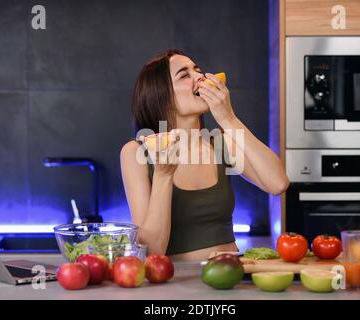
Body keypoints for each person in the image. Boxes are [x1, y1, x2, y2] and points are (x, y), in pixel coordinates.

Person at [120, 49, 289, 261]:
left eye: (197, 70)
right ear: (160, 96)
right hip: (176, 284)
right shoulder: (137, 152)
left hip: (230, 276)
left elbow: (278, 183)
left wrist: (229, 119)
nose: (200, 77)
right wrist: (163, 176)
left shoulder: (221, 142)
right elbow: (152, 251)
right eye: (184, 75)